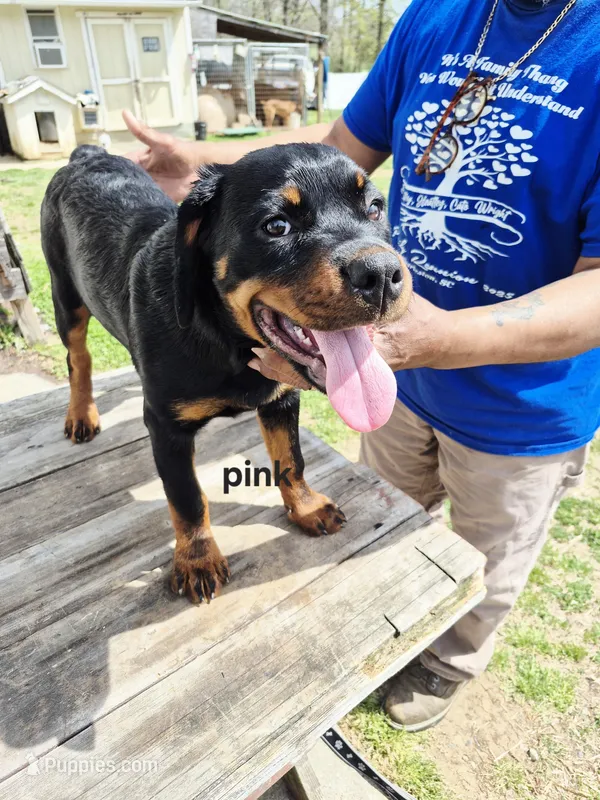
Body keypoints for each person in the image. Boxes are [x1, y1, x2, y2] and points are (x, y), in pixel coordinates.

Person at [124, 0, 600, 732]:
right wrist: (209, 169)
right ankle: (381, 623)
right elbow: (337, 154)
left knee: (485, 559)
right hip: (384, 376)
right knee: (384, 526)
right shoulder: (437, 16)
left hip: (520, 406)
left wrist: (439, 339)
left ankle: (448, 662)